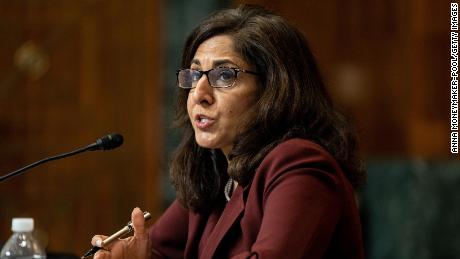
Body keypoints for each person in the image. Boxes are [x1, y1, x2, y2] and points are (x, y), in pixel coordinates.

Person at [91, 4, 366, 259]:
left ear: (274, 89)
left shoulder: (301, 164)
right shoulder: (215, 170)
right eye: (194, 74)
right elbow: (163, 252)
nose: (199, 94)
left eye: (224, 76)